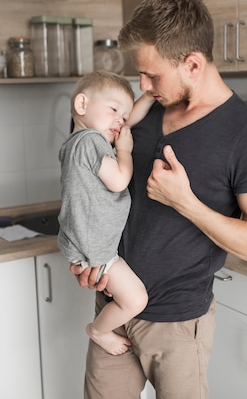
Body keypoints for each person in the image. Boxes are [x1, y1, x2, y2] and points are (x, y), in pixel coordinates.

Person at [70, 0, 247, 399]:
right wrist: (86, 256)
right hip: (114, 308)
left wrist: (186, 202)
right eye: (140, 73)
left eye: (152, 75)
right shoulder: (143, 112)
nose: (141, 84)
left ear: (193, 64)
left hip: (178, 323)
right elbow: (91, 183)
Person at [58, 70, 154, 356]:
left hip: (89, 244)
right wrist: (124, 150)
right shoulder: (89, 142)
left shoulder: (79, 141)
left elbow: (125, 122)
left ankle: (100, 328)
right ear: (82, 105)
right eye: (113, 110)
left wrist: (147, 96)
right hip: (95, 248)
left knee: (130, 296)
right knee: (136, 300)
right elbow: (119, 180)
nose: (120, 122)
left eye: (123, 116)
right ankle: (98, 330)